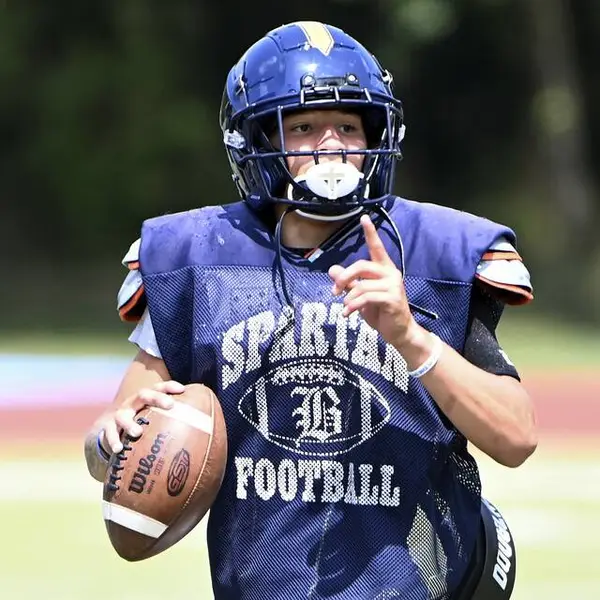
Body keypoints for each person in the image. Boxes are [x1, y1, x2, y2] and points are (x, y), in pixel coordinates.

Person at [84, 21, 537, 600]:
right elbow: (110, 444)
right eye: (302, 127)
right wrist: (110, 441)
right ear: (254, 140)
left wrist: (411, 337)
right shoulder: (199, 256)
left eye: (348, 126)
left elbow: (516, 438)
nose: (331, 145)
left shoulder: (435, 251)